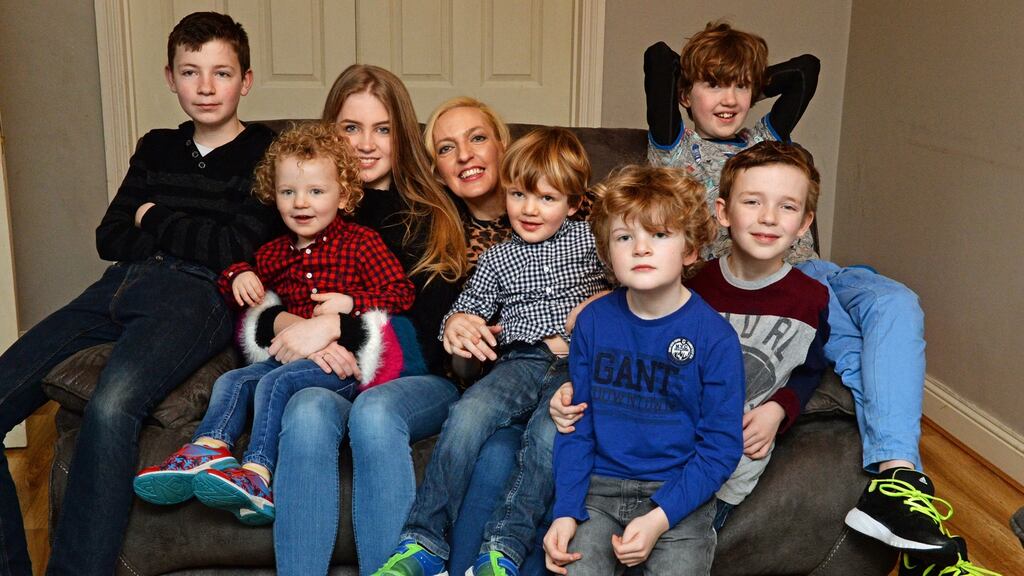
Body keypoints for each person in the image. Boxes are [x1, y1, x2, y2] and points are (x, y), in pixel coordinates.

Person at [643, 21, 960, 562]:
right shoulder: (676, 148)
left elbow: (808, 70)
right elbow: (657, 58)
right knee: (855, 352)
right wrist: (704, 74)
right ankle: (899, 480)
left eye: (741, 86)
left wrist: (748, 80)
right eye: (714, 85)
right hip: (774, 282)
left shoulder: (766, 139)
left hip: (820, 268)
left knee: (897, 302)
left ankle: (898, 482)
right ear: (685, 94)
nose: (730, 99)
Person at [0, 12, 278, 575]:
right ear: (169, 78)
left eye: (221, 73)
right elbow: (111, 236)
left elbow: (235, 246)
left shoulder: (266, 153)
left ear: (245, 81)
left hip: (195, 296)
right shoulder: (156, 147)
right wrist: (174, 226)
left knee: (113, 404)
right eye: (190, 72)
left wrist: (156, 215)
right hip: (118, 283)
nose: (205, 87)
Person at [132, 122, 414, 525]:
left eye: (316, 192)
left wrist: (351, 304)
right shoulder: (273, 253)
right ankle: (207, 449)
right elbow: (234, 284)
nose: (301, 203)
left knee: (274, 383)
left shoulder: (361, 243)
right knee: (233, 381)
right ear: (273, 194)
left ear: (345, 195)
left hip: (342, 367)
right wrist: (238, 276)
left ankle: (258, 474)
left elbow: (400, 294)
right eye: (288, 192)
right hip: (289, 359)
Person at [375, 127, 609, 576]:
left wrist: (593, 305)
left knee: (547, 437)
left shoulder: (595, 242)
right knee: (466, 415)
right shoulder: (498, 259)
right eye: (519, 195)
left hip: (578, 368)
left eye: (547, 198)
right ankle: (422, 541)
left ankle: (502, 548)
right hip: (519, 362)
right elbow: (466, 310)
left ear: (574, 204)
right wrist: (456, 324)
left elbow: (637, 288)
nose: (530, 209)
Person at [268, 66, 467, 575]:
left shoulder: (431, 212)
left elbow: (430, 338)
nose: (367, 144)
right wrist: (298, 330)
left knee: (376, 411)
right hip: (328, 374)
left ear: (402, 135)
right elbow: (257, 292)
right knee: (308, 407)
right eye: (351, 128)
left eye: (382, 129)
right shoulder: (306, 203)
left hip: (418, 379)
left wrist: (339, 326)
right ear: (328, 132)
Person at [544, 164, 744, 575]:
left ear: (689, 250)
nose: (640, 248)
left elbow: (721, 447)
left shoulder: (715, 338)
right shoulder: (594, 323)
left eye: (659, 234)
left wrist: (659, 518)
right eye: (624, 237)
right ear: (607, 253)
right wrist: (565, 511)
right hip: (597, 491)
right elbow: (576, 426)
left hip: (677, 496)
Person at [686, 141, 830, 531]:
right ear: (723, 212)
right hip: (673, 449)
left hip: (735, 466)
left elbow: (810, 368)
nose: (768, 217)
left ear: (803, 224)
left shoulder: (810, 299)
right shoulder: (696, 288)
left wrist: (779, 408)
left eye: (787, 206)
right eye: (752, 202)